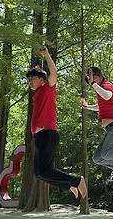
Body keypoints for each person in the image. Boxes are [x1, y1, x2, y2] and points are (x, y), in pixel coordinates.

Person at [26, 47, 88, 200]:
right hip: (39, 137)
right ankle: (70, 185)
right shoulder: (37, 94)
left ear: (42, 80)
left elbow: (53, 73)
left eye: (32, 79)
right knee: (39, 173)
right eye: (28, 80)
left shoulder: (48, 88)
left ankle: (77, 181)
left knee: (45, 171)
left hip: (48, 134)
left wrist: (46, 55)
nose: (29, 82)